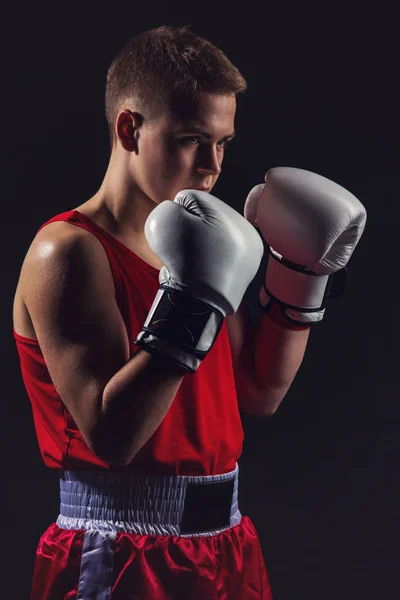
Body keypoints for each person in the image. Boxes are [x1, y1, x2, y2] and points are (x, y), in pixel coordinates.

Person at [12, 25, 366, 599]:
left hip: (224, 542)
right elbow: (112, 437)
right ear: (130, 128)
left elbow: (257, 391)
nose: (213, 165)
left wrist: (301, 279)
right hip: (119, 551)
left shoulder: (195, 241)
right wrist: (193, 298)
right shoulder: (68, 250)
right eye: (192, 139)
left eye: (223, 142)